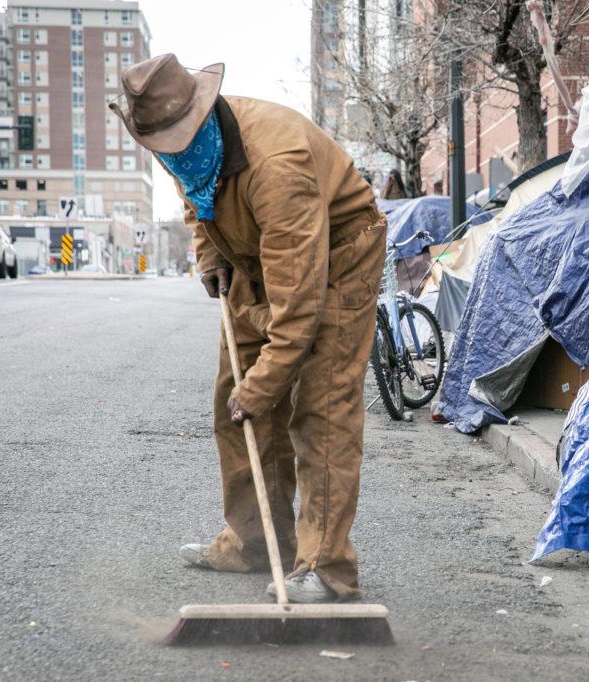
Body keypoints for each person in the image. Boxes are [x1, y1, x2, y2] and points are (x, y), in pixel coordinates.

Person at [111, 54, 385, 603]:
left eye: (177, 144)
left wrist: (262, 388)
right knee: (231, 404)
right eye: (162, 147)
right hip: (249, 255)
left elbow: (298, 311)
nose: (170, 155)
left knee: (319, 408)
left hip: (335, 254)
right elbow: (195, 200)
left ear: (203, 112)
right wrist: (210, 253)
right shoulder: (181, 146)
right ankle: (259, 543)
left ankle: (326, 568)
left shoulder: (277, 165)